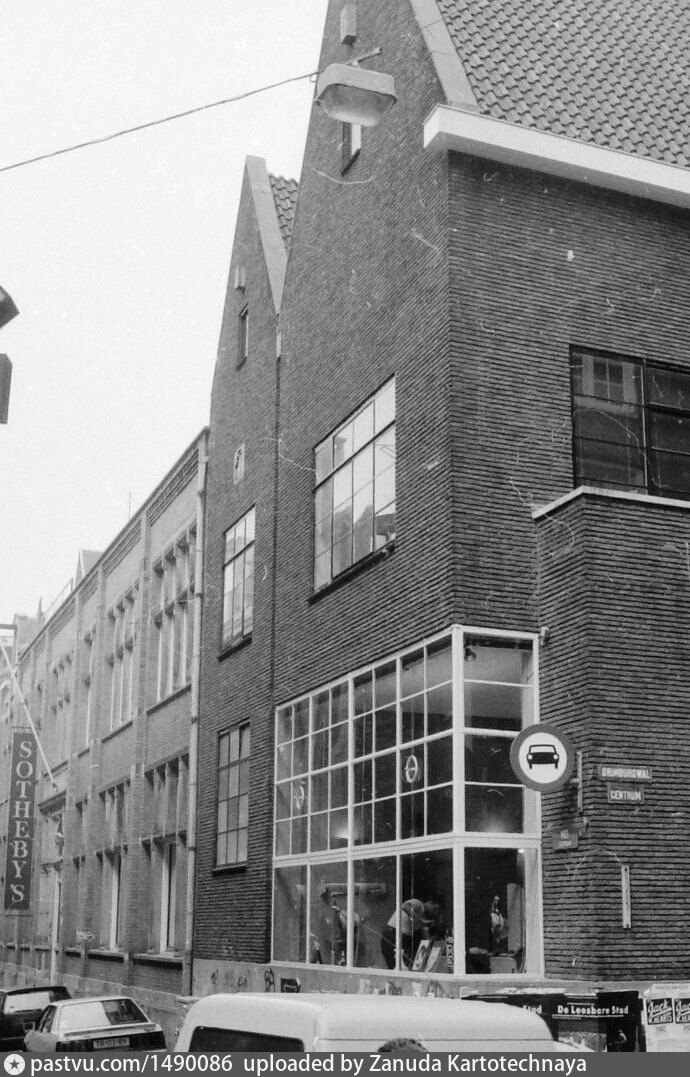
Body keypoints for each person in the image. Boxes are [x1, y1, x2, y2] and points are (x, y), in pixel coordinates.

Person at [380, 897, 442, 969]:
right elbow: (406, 907)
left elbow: (425, 936)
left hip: (403, 937)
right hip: (393, 933)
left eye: (437, 911)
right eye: (435, 909)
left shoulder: (423, 917)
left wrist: (430, 941)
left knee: (402, 964)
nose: (435, 912)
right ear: (430, 903)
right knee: (395, 964)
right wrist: (418, 918)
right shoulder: (418, 904)